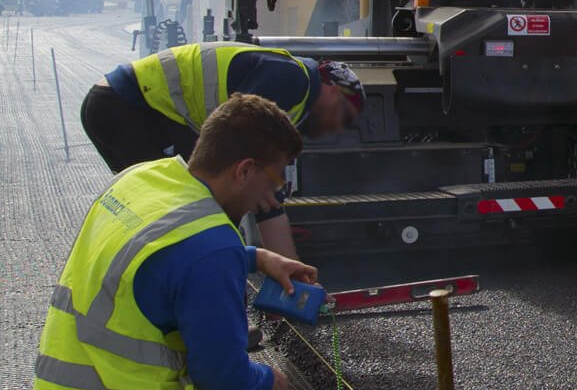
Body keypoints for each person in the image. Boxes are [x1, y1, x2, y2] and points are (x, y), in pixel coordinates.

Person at [33, 94, 341, 390]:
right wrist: (266, 379)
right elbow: (221, 376)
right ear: (243, 169)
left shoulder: (144, 179)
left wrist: (255, 257)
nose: (273, 197)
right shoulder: (209, 247)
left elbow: (167, 261)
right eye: (274, 180)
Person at [79, 43, 364, 260]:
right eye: (344, 116)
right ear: (332, 91)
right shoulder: (293, 81)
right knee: (188, 212)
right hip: (128, 107)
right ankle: (210, 310)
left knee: (176, 212)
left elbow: (265, 197)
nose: (337, 128)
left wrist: (291, 279)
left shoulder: (294, 99)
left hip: (119, 105)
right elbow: (238, 150)